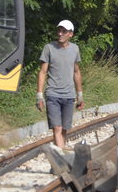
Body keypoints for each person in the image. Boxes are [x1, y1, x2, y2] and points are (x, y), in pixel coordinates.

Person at [36, 20, 84, 148]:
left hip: (69, 95)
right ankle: (62, 159)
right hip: (53, 94)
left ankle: (58, 158)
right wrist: (39, 96)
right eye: (59, 30)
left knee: (63, 129)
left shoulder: (75, 49)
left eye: (64, 31)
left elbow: (76, 72)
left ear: (70, 34)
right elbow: (42, 72)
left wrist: (80, 95)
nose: (60, 33)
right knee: (57, 128)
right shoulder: (49, 48)